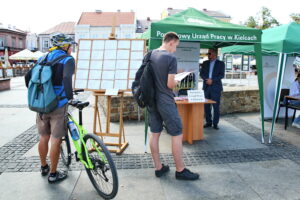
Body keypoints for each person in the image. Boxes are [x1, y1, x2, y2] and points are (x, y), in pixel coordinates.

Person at [148, 32, 199, 180]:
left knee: (155, 133)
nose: (175, 49)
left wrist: (175, 73)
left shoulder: (151, 55)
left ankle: (158, 167)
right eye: (176, 46)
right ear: (171, 42)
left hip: (152, 100)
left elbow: (156, 76)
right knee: (177, 133)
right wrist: (178, 79)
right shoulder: (170, 58)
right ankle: (180, 170)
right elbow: (170, 84)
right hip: (165, 100)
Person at [37, 33, 76, 183]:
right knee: (56, 138)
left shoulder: (42, 58)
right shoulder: (67, 59)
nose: (71, 48)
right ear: (64, 46)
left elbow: (29, 79)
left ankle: (44, 166)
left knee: (43, 136)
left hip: (41, 104)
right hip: (58, 105)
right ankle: (53, 174)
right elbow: (66, 79)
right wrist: (70, 97)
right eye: (70, 45)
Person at [200, 48, 225, 130]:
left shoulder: (221, 63)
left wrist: (212, 80)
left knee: (216, 106)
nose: (208, 55)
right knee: (206, 106)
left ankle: (215, 123)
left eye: (209, 53)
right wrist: (206, 80)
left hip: (216, 88)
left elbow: (221, 75)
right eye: (208, 54)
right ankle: (208, 122)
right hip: (207, 87)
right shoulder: (205, 63)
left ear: (214, 54)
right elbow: (201, 74)